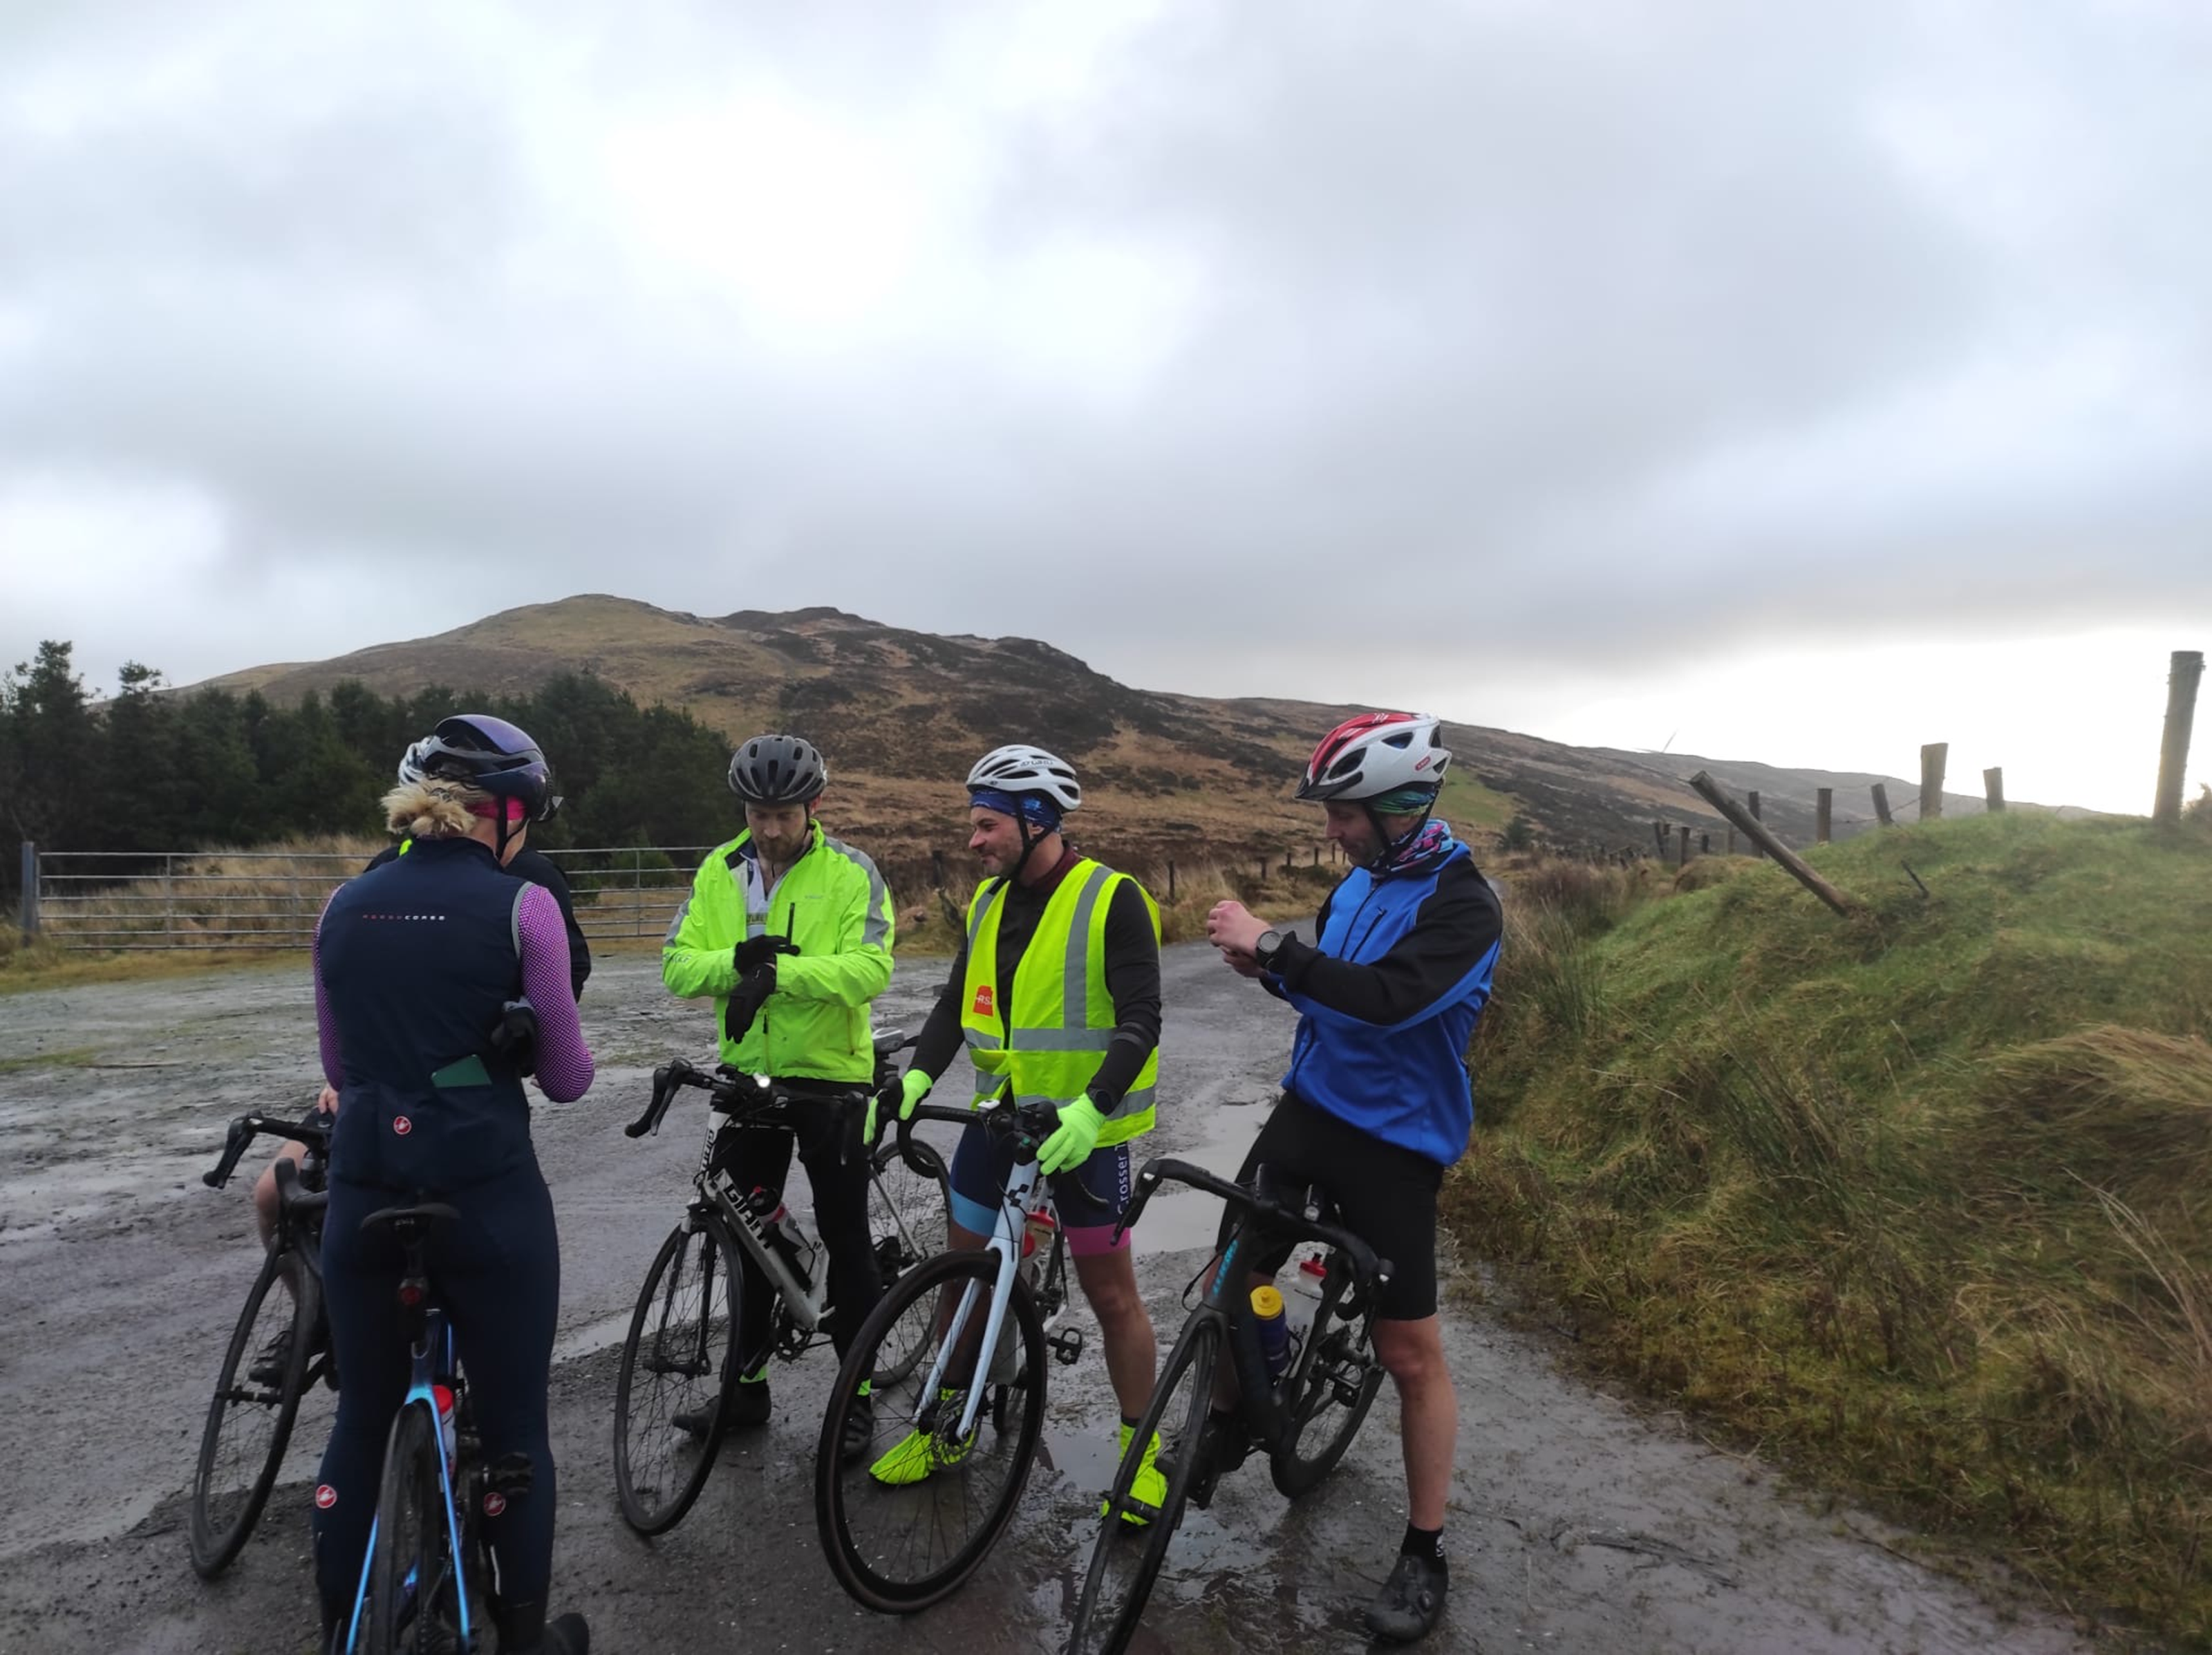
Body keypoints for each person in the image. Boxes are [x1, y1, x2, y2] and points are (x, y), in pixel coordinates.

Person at [1202, 711, 1501, 1644]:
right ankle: (1241, 1398)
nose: (1331, 831)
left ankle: (1424, 1548)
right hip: (1311, 1110)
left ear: (1401, 804)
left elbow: (1386, 1002)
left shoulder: (1465, 904)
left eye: (1343, 813)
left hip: (1396, 1144)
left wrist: (1278, 946)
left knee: (1410, 1353)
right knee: (1230, 1280)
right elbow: (1326, 988)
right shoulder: (1362, 884)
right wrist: (1268, 968)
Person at [308, 714, 594, 1655]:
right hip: (484, 1195)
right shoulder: (526, 908)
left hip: (363, 1188)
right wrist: (495, 1047)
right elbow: (567, 1077)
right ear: (503, 815)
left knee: (359, 1416)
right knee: (517, 1425)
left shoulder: (343, 905)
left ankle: (341, 1634)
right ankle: (521, 1638)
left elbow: (341, 1068)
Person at [870, 744, 1165, 1515]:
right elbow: (948, 1007)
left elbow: (1141, 1018)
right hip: (998, 1127)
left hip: (1083, 1137)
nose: (974, 842)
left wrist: (1094, 1106)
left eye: (986, 825)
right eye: (973, 826)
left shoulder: (1113, 898)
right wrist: (914, 1079)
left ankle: (1143, 1453)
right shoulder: (988, 903)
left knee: (1112, 1299)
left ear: (1037, 822)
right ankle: (949, 1424)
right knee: (960, 1279)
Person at [250, 718, 592, 1348]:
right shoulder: (374, 878)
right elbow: (352, 1000)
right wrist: (346, 1078)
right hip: (374, 1085)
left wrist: (519, 1032)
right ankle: (317, 1315)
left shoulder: (533, 884)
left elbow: (566, 986)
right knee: (274, 1192)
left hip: (458, 1085)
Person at [660, 732, 897, 1461]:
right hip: (747, 1081)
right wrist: (739, 962)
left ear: (813, 805)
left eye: (784, 814)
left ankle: (854, 1398)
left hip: (831, 1078)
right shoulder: (718, 871)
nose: (769, 828)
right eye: (758, 813)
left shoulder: (852, 871)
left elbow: (869, 969)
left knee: (846, 1237)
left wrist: (781, 977)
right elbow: (675, 965)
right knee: (747, 1241)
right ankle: (746, 1387)